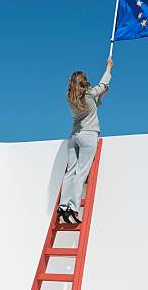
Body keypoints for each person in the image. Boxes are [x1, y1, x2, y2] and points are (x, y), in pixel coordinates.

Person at [58, 58, 113, 224]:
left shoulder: (70, 98)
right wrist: (108, 68)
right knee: (81, 172)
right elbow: (102, 85)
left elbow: (88, 104)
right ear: (84, 82)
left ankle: (63, 206)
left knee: (71, 172)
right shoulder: (89, 93)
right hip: (88, 136)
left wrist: (99, 97)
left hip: (74, 137)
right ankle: (73, 208)